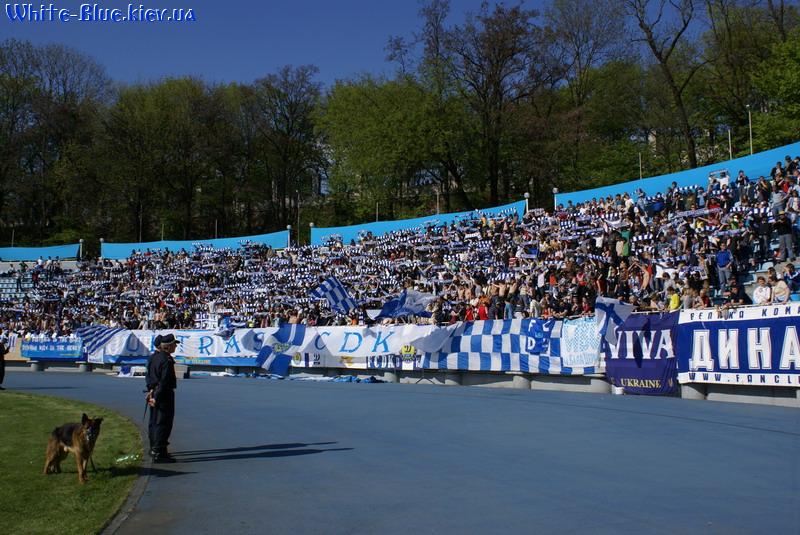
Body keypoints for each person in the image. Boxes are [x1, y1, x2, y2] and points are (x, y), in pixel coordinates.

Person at [146, 334, 179, 463]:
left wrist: (151, 391)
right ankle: (158, 451)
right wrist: (157, 397)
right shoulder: (166, 360)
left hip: (154, 391)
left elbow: (149, 376)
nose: (175, 346)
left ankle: (156, 448)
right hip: (163, 394)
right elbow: (164, 381)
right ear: (168, 346)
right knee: (163, 423)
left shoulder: (153, 358)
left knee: (154, 422)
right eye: (174, 344)